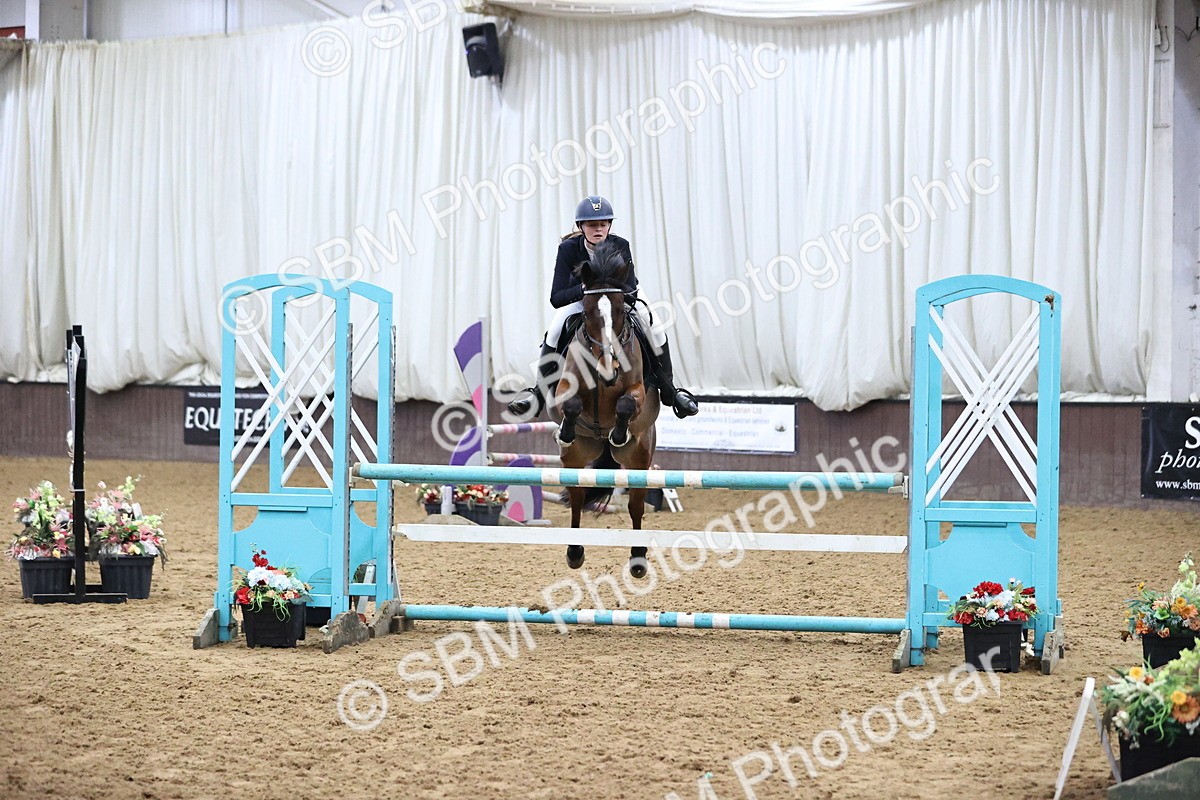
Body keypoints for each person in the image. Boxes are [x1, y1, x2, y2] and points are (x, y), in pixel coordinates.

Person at [506, 195, 700, 420]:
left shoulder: (620, 245)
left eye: (603, 224)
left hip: (620, 298)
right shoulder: (568, 249)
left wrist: (611, 297)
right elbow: (556, 297)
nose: (598, 229)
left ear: (609, 225)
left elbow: (628, 286)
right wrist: (584, 290)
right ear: (581, 226)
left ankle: (670, 391)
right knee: (555, 330)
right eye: (591, 225)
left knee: (654, 326)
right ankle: (537, 395)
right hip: (583, 300)